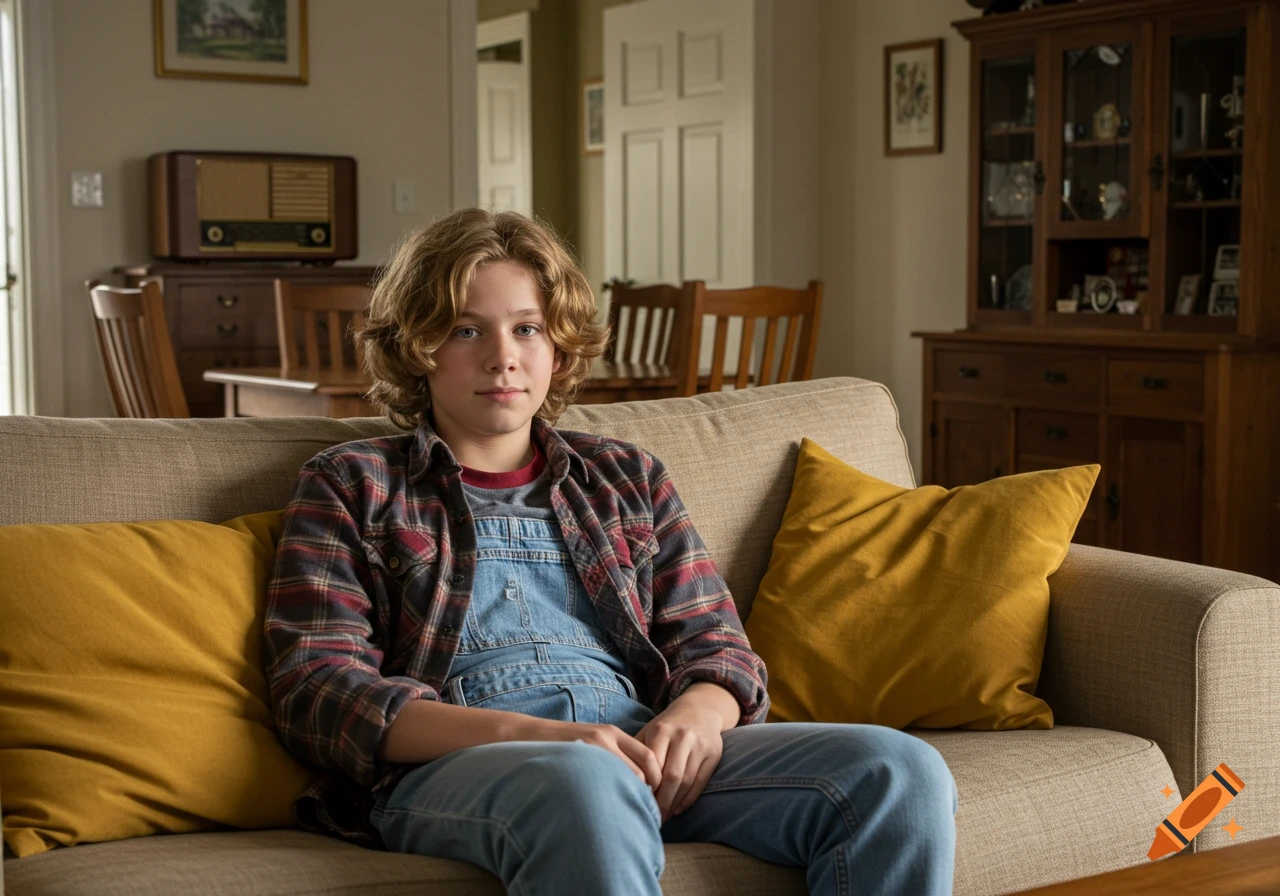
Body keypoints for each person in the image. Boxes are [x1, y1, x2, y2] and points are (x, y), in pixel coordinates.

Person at [265, 207, 958, 895]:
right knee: (585, 781)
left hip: (636, 745)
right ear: (417, 347)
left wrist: (695, 716)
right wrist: (540, 737)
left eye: (527, 328)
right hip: (460, 767)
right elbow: (318, 689)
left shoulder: (628, 477)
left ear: (558, 348)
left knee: (897, 772)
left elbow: (718, 646)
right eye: (465, 329)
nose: (502, 356)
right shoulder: (353, 481)